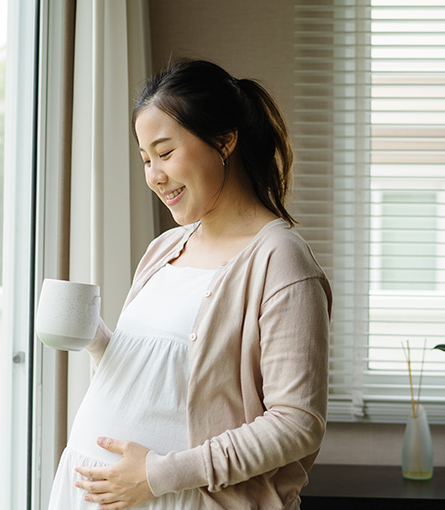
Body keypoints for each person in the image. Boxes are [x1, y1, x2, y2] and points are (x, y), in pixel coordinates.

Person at [48, 59, 331, 510]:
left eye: (164, 152)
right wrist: (98, 339)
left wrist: (158, 476)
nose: (154, 176)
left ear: (224, 139)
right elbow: (160, 380)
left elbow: (297, 424)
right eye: (145, 159)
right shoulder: (164, 248)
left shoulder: (281, 261)